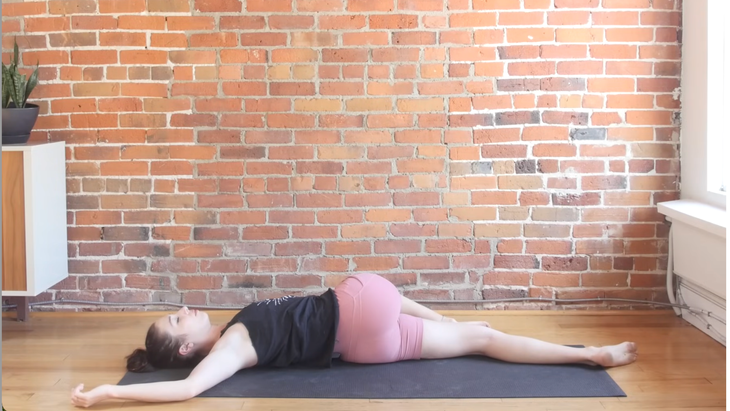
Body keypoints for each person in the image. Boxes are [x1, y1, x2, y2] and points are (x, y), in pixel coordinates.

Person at [70, 273, 638, 408]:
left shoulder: (234, 332)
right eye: (177, 323)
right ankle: (442, 318)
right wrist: (106, 395)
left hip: (368, 343)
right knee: (473, 333)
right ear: (188, 347)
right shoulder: (232, 348)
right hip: (359, 310)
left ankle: (589, 355)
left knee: (484, 337)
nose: (184, 311)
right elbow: (189, 392)